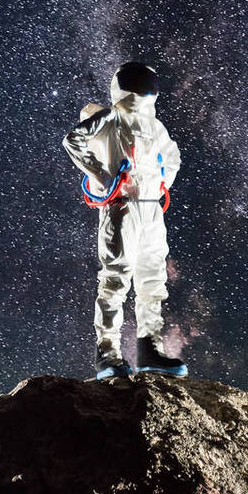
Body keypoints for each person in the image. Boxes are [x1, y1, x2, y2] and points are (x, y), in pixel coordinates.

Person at [62, 62, 187, 380]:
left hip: (150, 209)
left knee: (152, 279)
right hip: (122, 207)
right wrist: (102, 176)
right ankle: (108, 352)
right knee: (116, 276)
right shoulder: (111, 117)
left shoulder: (154, 126)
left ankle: (149, 348)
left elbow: (172, 157)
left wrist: (161, 184)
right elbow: (73, 140)